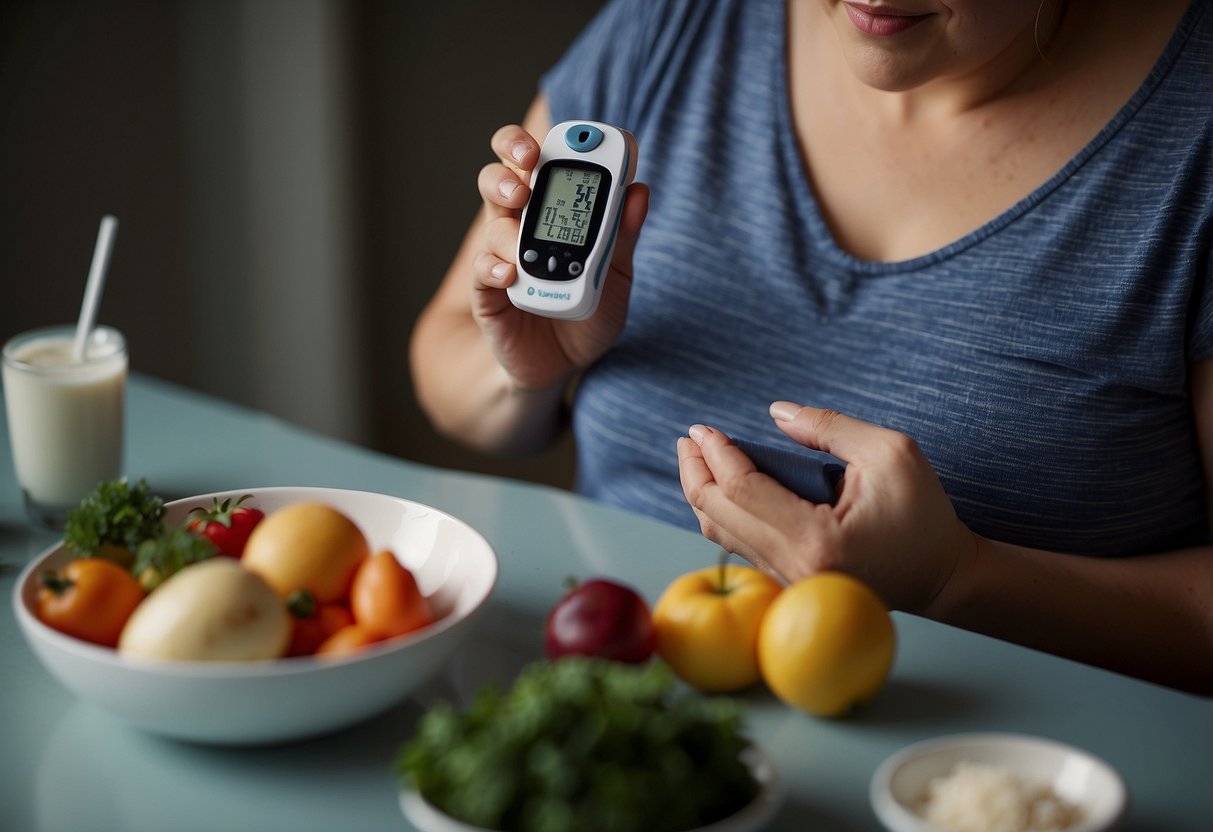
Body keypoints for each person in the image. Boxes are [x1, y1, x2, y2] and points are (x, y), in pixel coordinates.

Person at [410, 0, 1213, 695]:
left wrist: (958, 579)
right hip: (609, 715)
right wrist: (526, 371)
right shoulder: (675, 24)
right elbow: (446, 372)